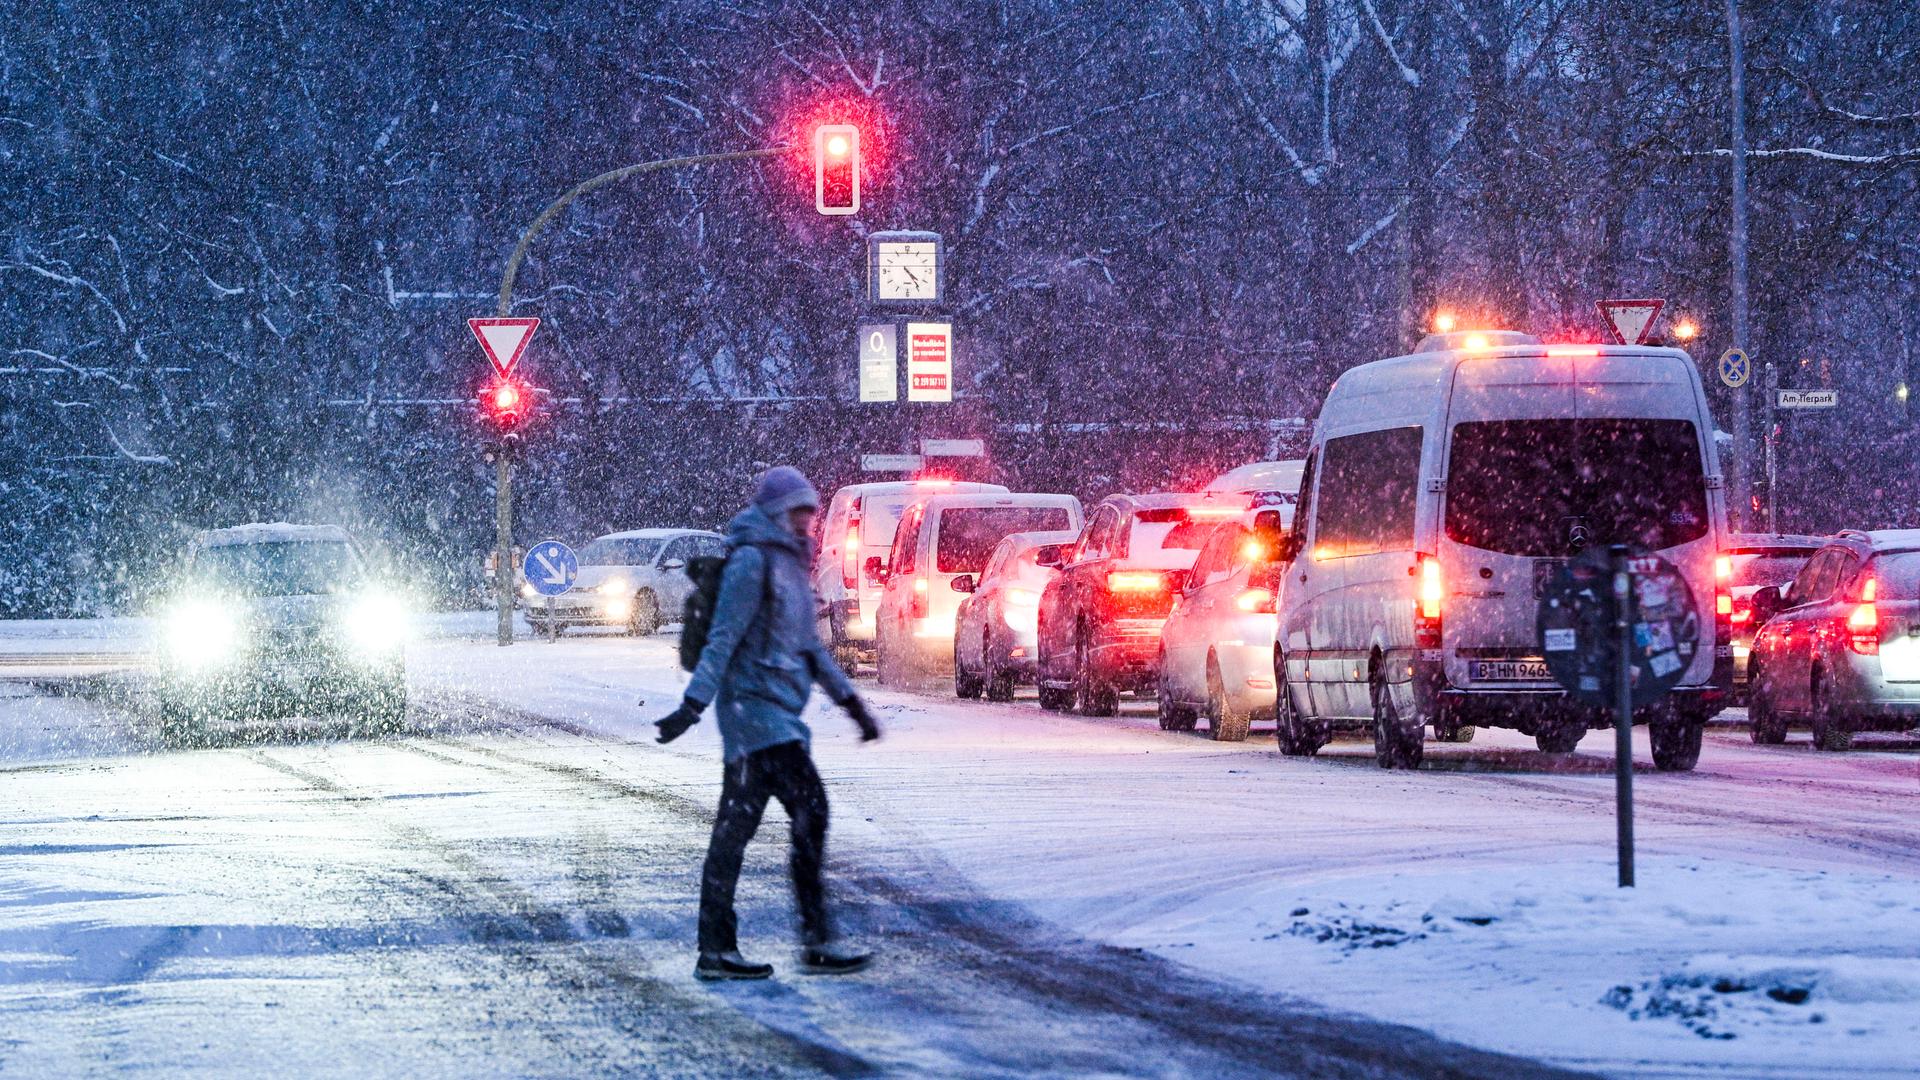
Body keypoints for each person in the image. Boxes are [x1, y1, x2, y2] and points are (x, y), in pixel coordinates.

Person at [654, 465, 882, 981]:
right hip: (751, 714)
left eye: (810, 511)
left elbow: (809, 648)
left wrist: (852, 705)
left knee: (738, 829)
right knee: (807, 809)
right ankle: (811, 940)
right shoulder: (752, 562)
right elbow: (723, 639)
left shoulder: (792, 566)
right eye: (797, 511)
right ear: (776, 511)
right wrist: (692, 707)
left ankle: (722, 948)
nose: (806, 520)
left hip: (777, 715)